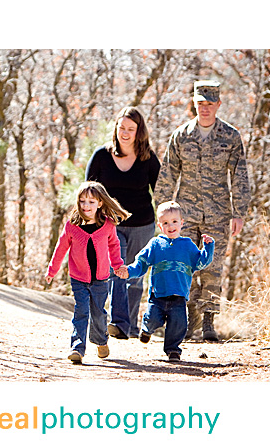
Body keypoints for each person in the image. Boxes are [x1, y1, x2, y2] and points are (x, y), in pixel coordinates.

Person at [154, 80, 251, 341]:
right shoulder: (181, 136)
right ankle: (187, 317)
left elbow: (240, 175)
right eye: (200, 104)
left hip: (219, 213)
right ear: (194, 104)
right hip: (185, 214)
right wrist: (161, 212)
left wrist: (239, 212)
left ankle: (209, 321)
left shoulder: (230, 137)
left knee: (213, 266)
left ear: (218, 104)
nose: (204, 109)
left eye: (209, 104)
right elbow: (167, 175)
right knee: (185, 265)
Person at [85, 106, 161, 340]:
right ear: (116, 128)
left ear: (139, 132)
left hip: (142, 224)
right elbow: (88, 190)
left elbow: (161, 191)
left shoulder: (148, 158)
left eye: (131, 129)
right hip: (110, 225)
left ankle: (129, 326)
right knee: (113, 273)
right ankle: (117, 323)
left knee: (135, 276)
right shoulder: (101, 156)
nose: (125, 133)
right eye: (122, 128)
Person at [115, 201, 214, 361]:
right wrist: (129, 271)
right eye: (166, 223)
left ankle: (173, 350)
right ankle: (147, 329)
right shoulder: (155, 244)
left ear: (181, 223)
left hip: (179, 296)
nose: (171, 226)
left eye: (174, 221)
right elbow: (141, 263)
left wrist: (208, 248)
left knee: (179, 324)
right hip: (158, 295)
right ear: (160, 226)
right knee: (154, 318)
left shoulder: (187, 245)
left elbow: (200, 262)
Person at [45, 181, 131, 364]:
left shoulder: (107, 225)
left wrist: (118, 265)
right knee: (81, 311)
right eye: (83, 201)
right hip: (78, 278)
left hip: (101, 278)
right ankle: (77, 348)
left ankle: (101, 341)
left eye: (91, 202)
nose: (86, 206)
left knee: (99, 313)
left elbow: (114, 245)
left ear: (100, 203)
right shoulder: (72, 225)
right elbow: (61, 248)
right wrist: (52, 269)